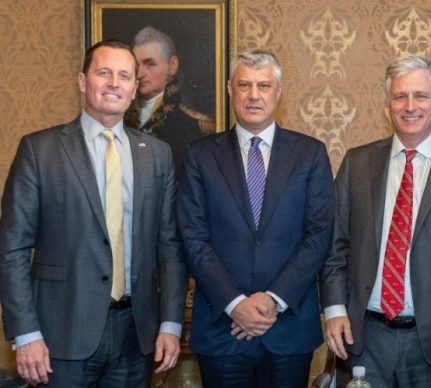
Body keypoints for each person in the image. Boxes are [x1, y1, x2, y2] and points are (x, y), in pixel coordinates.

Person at [0, 40, 188, 387]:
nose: (114, 83)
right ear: (82, 81)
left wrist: (170, 324)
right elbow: (12, 249)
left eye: (124, 76)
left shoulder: (157, 155)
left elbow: (170, 247)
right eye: (103, 73)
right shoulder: (39, 150)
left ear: (134, 88)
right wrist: (25, 333)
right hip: (59, 336)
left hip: (136, 336)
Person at [321, 55, 431, 387]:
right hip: (365, 338)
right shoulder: (357, 163)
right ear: (388, 104)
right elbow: (335, 246)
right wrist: (334, 310)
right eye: (400, 96)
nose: (410, 106)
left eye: (420, 96)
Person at [177, 49, 334, 387]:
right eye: (244, 84)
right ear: (229, 89)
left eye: (263, 85)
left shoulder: (310, 154)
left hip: (288, 329)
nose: (253, 95)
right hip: (222, 329)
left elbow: (318, 235)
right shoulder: (200, 156)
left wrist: (272, 300)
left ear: (278, 91)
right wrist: (235, 303)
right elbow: (193, 238)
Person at [124, 26, 214, 167]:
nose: (140, 74)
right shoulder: (119, 115)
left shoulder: (194, 124)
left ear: (172, 65)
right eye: (136, 65)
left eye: (150, 64)